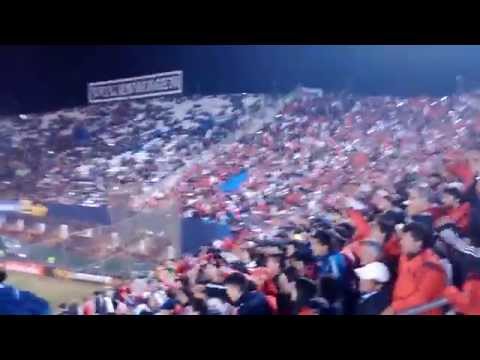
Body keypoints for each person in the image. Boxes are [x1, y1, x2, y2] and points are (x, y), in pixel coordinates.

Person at [383, 222, 447, 315]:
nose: (400, 242)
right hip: (400, 307)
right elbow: (389, 249)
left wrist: (394, 307)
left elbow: (421, 298)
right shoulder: (405, 256)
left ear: (418, 242)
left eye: (404, 239)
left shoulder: (432, 268)